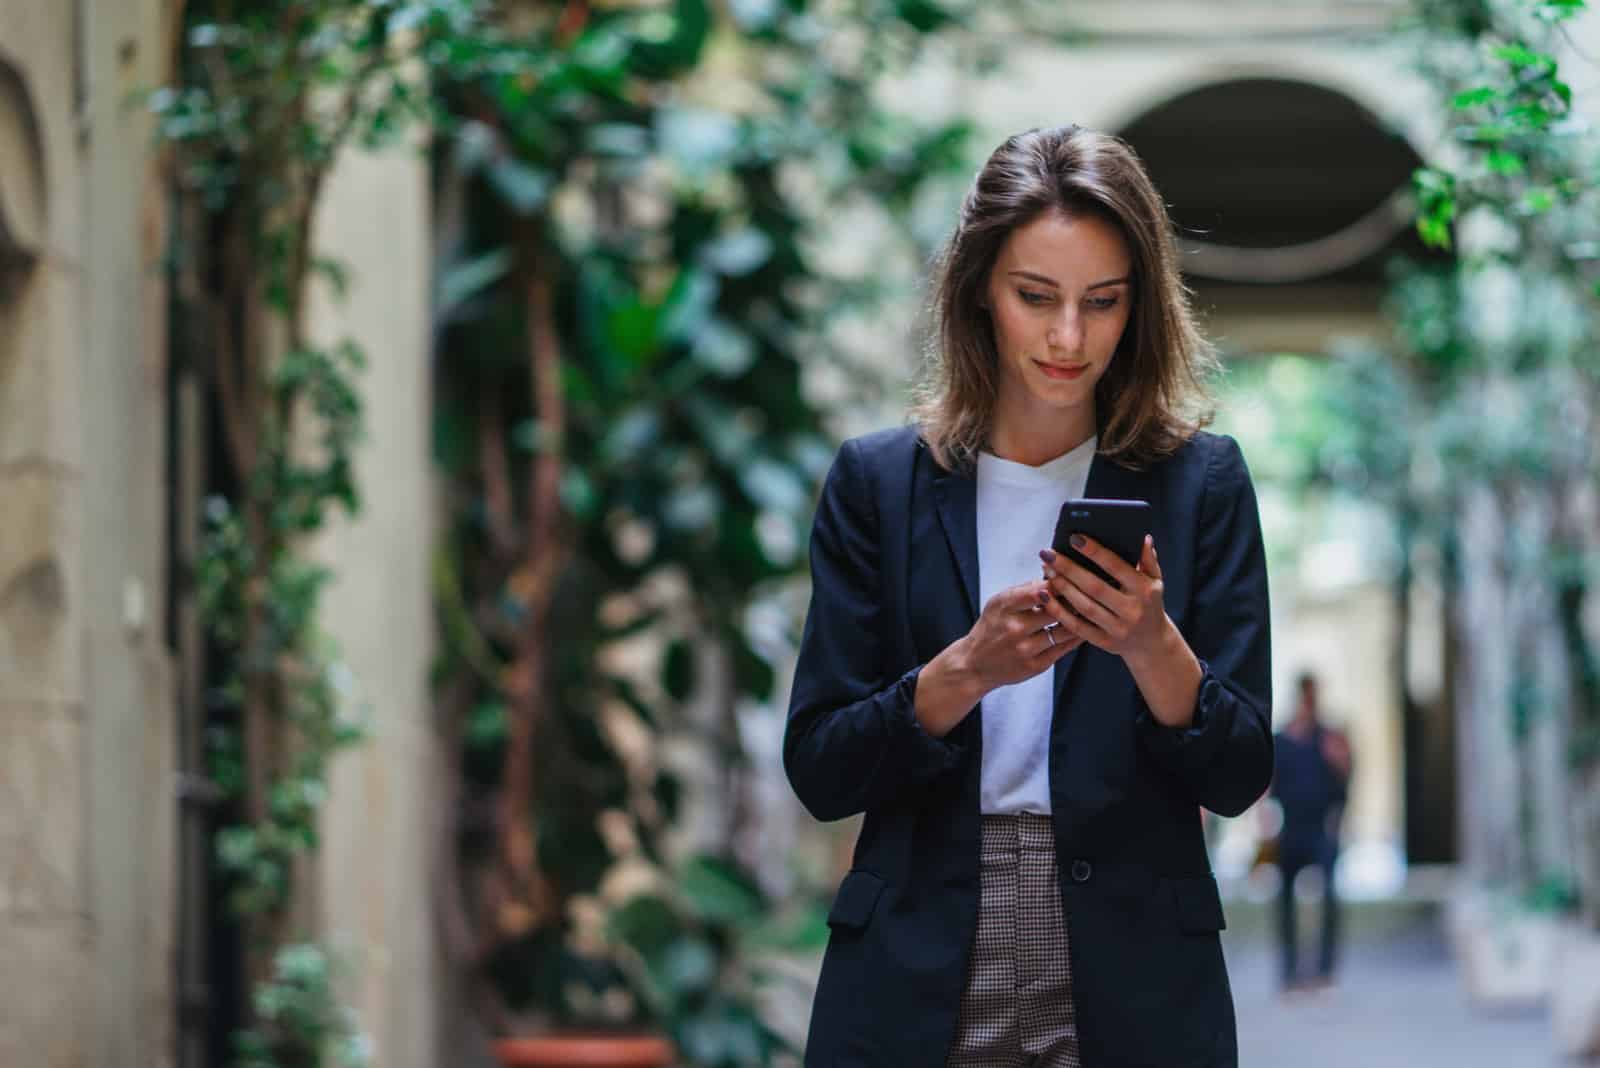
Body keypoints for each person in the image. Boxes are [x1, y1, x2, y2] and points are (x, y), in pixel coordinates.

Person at [782, 124, 1273, 1068]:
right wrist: (961, 672)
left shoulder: (1201, 484)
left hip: (1135, 960)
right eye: (1034, 297)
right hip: (919, 947)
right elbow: (820, 770)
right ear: (978, 293)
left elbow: (1240, 773)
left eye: (1103, 303)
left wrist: (1149, 645)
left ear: (1140, 311)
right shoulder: (879, 484)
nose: (1066, 337)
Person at [1270, 672, 1352, 995]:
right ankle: (1290, 972)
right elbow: (1269, 784)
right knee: (1285, 901)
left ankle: (1324, 971)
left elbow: (1346, 781)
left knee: (1330, 895)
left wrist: (1340, 762)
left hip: (1321, 828)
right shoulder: (1283, 738)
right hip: (1291, 827)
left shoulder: (1330, 737)